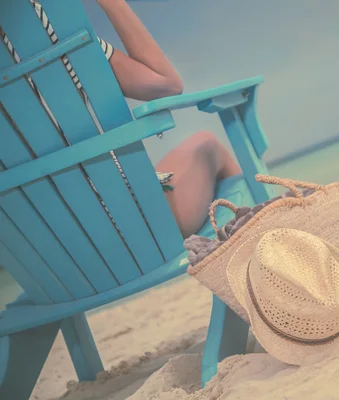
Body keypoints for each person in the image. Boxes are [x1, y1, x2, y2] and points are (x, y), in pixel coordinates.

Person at [1, 0, 241, 238]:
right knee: (207, 144)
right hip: (133, 222)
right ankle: (256, 248)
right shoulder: (46, 25)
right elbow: (166, 84)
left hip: (53, 249)